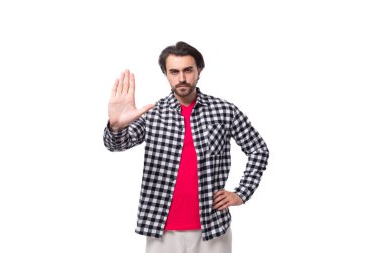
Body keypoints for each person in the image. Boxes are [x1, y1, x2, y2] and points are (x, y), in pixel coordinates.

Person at [103, 41, 269, 253]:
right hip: (161, 229)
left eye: (188, 70)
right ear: (166, 74)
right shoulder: (153, 113)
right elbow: (116, 145)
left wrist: (241, 193)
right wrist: (116, 126)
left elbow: (258, 150)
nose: (181, 78)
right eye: (174, 71)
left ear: (199, 70)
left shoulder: (224, 111)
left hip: (213, 227)